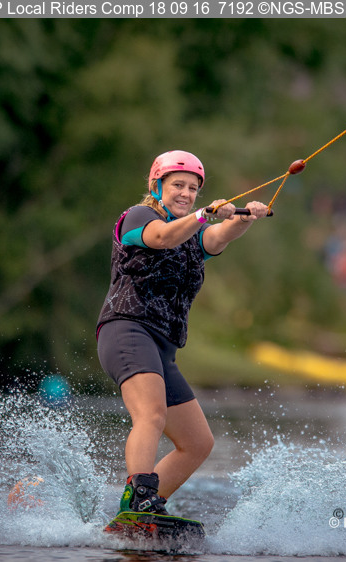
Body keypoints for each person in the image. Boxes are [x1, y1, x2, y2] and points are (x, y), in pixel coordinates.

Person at [96, 150, 269, 517]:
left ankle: (145, 509)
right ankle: (138, 497)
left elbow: (219, 237)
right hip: (127, 329)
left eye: (193, 189)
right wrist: (203, 214)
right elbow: (162, 238)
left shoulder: (194, 232)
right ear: (156, 186)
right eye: (178, 185)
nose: (186, 194)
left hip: (162, 345)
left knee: (197, 442)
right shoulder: (139, 217)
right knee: (151, 414)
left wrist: (245, 218)